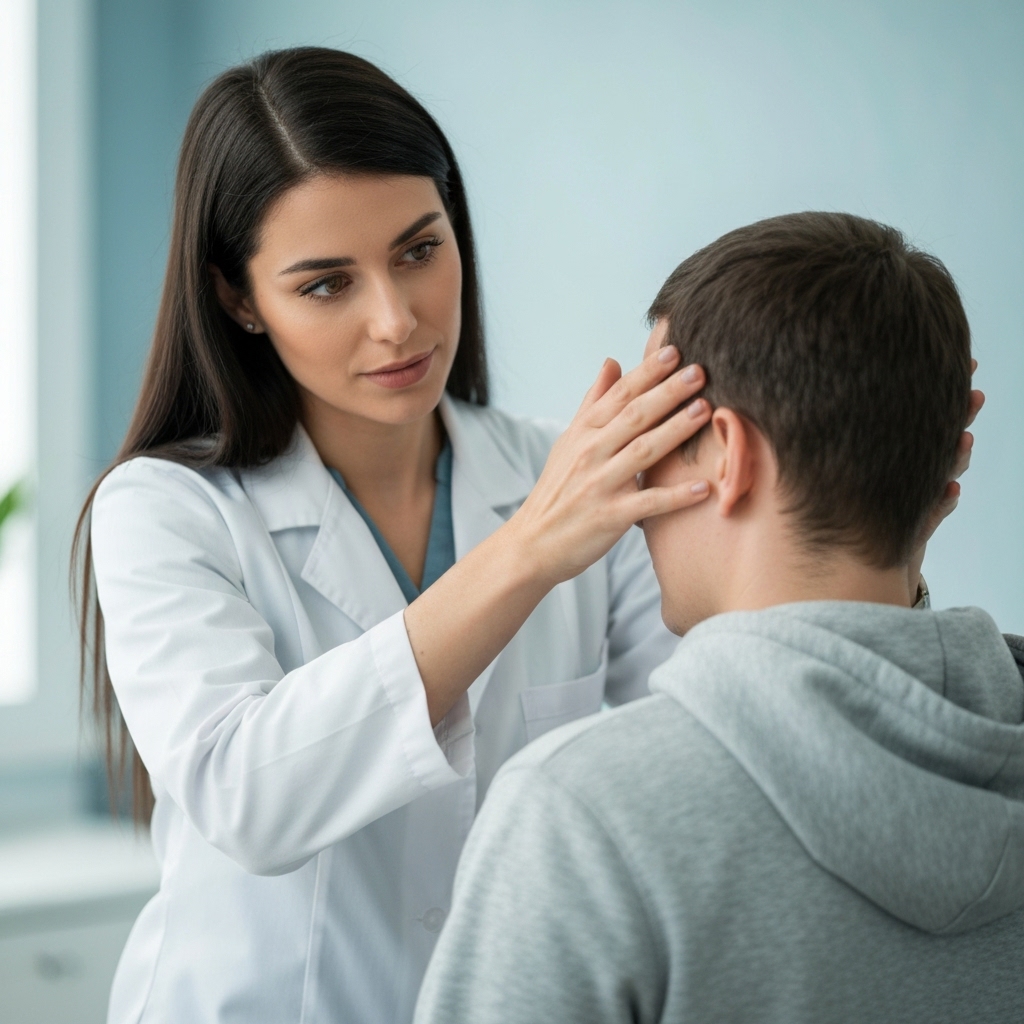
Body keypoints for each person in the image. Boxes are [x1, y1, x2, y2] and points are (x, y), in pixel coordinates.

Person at [75, 47, 721, 1024]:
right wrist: (524, 555)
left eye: (420, 249)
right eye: (326, 284)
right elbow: (248, 800)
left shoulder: (577, 482)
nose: (397, 320)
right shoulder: (166, 509)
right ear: (237, 298)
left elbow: (695, 759)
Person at [414, 212, 1024, 1024]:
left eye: (654, 434)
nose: (632, 500)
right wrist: (894, 521)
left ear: (729, 454)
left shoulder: (582, 815)